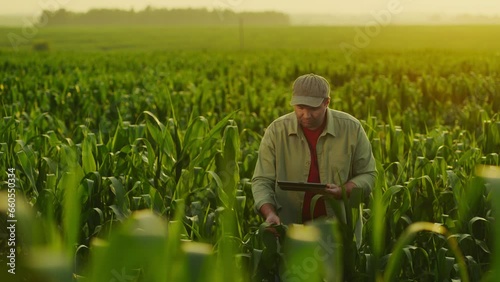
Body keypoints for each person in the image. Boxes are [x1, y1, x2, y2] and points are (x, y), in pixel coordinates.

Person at [251, 73, 377, 226]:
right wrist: (270, 213)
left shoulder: (351, 128)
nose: (306, 115)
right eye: (300, 108)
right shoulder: (276, 131)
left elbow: (368, 174)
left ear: (327, 102)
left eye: (313, 108)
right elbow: (262, 180)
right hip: (289, 230)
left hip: (339, 230)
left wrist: (342, 191)